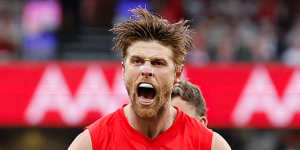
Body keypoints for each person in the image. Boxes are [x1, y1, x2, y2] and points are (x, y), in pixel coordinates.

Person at [68, 7, 231, 150]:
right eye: (137, 61)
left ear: (177, 74)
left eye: (158, 63)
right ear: (124, 69)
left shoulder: (209, 145)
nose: (146, 70)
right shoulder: (91, 143)